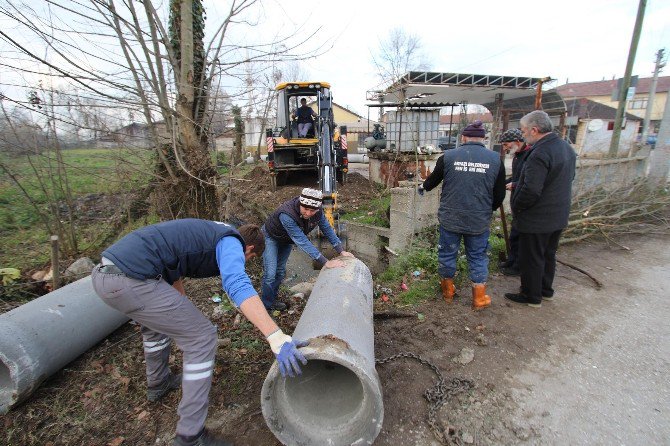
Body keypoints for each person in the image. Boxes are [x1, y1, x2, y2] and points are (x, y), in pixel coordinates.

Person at [91, 219, 308, 446]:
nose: (245, 261)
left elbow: (173, 270)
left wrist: (181, 308)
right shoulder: (232, 242)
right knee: (202, 337)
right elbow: (236, 282)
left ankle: (158, 383)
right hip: (130, 279)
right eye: (250, 259)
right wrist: (275, 336)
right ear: (250, 249)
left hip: (108, 274)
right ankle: (190, 436)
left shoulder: (214, 232)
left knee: (156, 326)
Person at [418, 120, 506, 310]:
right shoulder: (495, 159)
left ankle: (448, 292)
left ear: (463, 138)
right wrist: (486, 209)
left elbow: (431, 182)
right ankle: (478, 299)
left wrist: (422, 186)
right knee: (478, 257)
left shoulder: (448, 157)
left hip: (451, 218)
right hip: (478, 220)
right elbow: (499, 195)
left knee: (447, 253)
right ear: (483, 139)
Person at [504, 110, 576, 308]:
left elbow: (531, 189)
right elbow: (569, 178)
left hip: (537, 218)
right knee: (548, 255)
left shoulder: (539, 153)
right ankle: (546, 291)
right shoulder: (565, 148)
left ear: (534, 130)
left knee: (532, 257)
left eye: (523, 130)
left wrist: (517, 207)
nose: (522, 134)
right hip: (558, 215)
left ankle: (531, 295)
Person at [261, 188, 354, 311]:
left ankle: (273, 298)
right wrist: (326, 262)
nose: (309, 213)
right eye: (306, 209)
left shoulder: (318, 212)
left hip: (287, 239)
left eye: (313, 210)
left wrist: (341, 250)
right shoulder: (287, 214)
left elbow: (327, 229)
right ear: (300, 204)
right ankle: (266, 305)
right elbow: (302, 241)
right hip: (271, 237)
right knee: (270, 274)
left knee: (280, 271)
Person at [498, 128, 534, 276]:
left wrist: (514, 185)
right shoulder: (518, 156)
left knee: (522, 238)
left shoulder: (530, 156)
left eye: (506, 145)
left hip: (526, 205)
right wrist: (500, 183)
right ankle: (511, 261)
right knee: (514, 235)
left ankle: (517, 266)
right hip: (516, 203)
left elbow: (530, 182)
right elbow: (517, 176)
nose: (505, 148)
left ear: (517, 142)